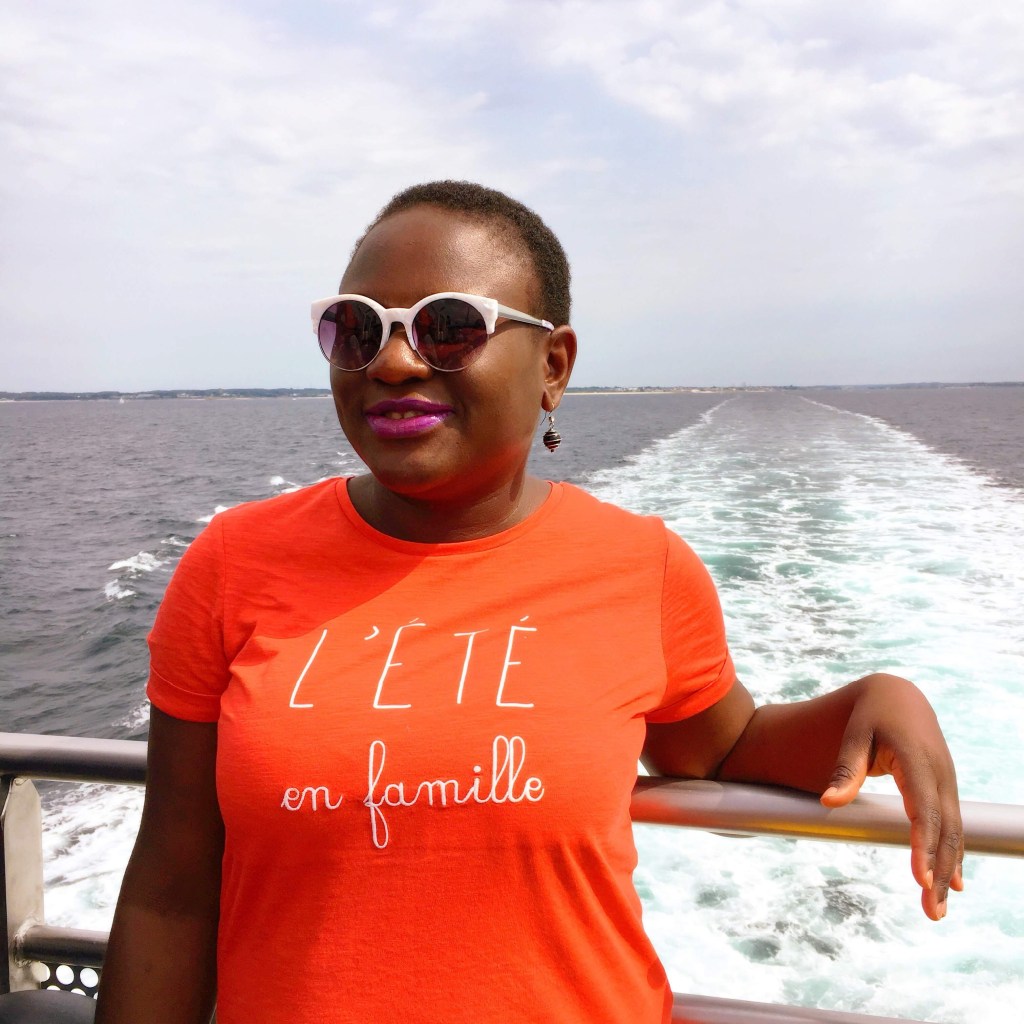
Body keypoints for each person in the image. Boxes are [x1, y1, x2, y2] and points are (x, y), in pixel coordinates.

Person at [95, 181, 963, 1024]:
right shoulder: (234, 562)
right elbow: (172, 890)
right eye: (357, 329)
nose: (392, 362)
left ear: (553, 366)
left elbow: (724, 750)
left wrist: (876, 701)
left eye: (448, 328)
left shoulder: (643, 568)